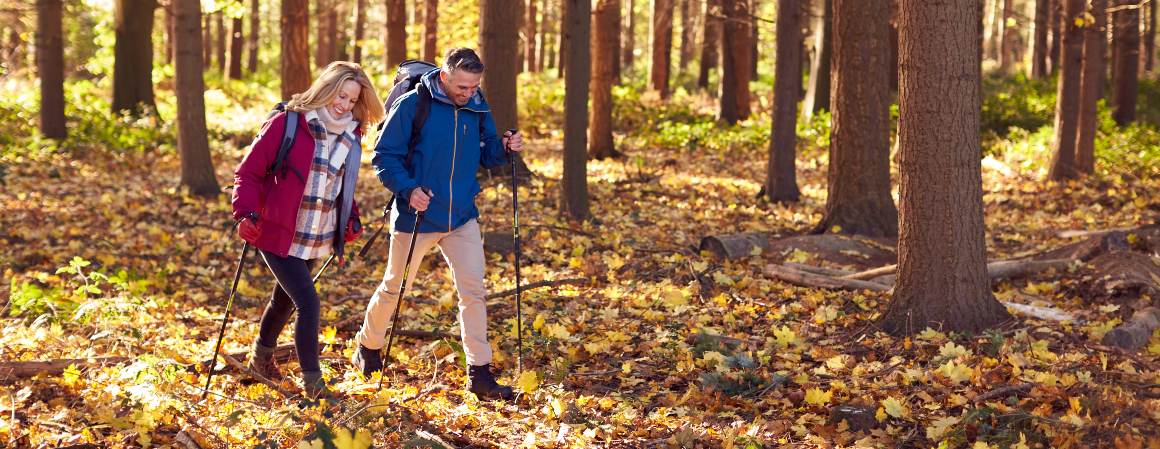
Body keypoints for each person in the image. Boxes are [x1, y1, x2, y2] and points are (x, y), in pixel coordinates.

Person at [351, 48, 524, 401]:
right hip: (418, 215)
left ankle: (480, 374)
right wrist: (408, 189)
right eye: (462, 86)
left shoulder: (477, 104)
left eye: (474, 86)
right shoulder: (415, 105)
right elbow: (384, 156)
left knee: (473, 292)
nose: (468, 93)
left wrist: (506, 147)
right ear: (444, 77)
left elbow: (488, 153)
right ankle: (368, 346)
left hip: (461, 216)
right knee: (395, 288)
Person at [232, 61, 385, 399]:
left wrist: (351, 217)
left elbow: (340, 184)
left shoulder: (351, 133)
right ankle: (314, 385)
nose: (343, 104)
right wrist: (245, 212)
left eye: (351, 99)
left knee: (284, 300)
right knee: (309, 303)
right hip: (276, 231)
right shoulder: (288, 123)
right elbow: (249, 173)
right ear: (326, 88)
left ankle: (260, 358)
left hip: (316, 236)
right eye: (340, 95)